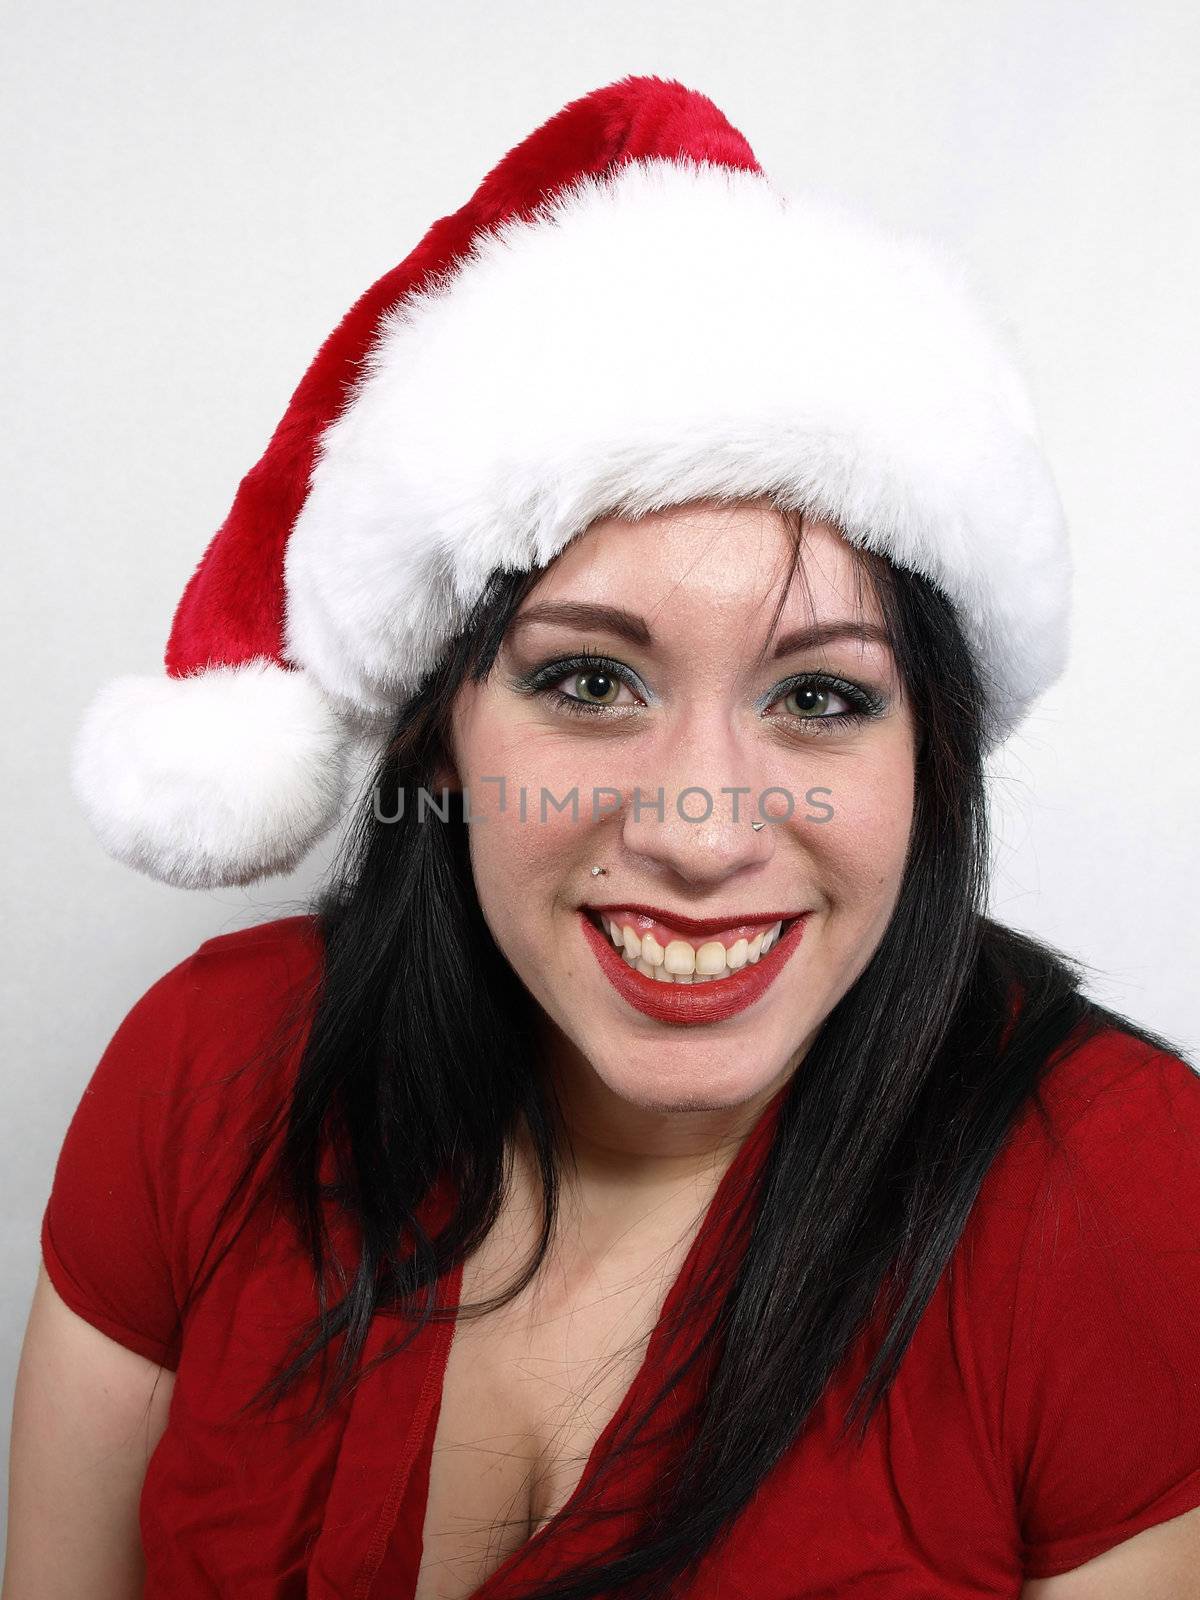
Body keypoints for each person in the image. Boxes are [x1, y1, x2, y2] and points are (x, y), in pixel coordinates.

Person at [7, 74, 1200, 1600]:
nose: (701, 830)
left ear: (933, 757)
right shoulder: (208, 1074)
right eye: (588, 681)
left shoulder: (1113, 1204)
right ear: (441, 731)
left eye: (822, 695)